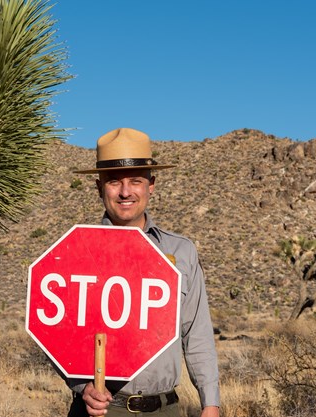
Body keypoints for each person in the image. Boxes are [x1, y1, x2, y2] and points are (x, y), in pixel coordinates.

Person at [67, 128, 220, 417]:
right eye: (114, 182)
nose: (125, 192)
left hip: (166, 409)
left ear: (151, 185)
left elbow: (196, 333)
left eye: (135, 181)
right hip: (100, 410)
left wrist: (210, 403)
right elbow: (54, 332)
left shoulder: (182, 251)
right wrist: (80, 386)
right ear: (99, 188)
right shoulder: (79, 251)